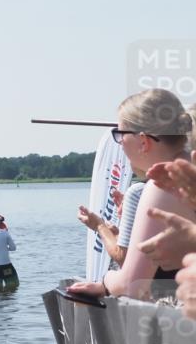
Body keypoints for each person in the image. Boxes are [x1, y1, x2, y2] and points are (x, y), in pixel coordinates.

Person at [69, 90, 196, 301]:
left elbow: (132, 285)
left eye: (120, 135)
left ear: (143, 141)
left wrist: (105, 281)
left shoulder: (161, 185)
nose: (120, 143)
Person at [76, 181, 146, 267]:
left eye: (127, 204)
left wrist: (99, 226)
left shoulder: (137, 190)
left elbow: (122, 258)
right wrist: (116, 234)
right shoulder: (156, 189)